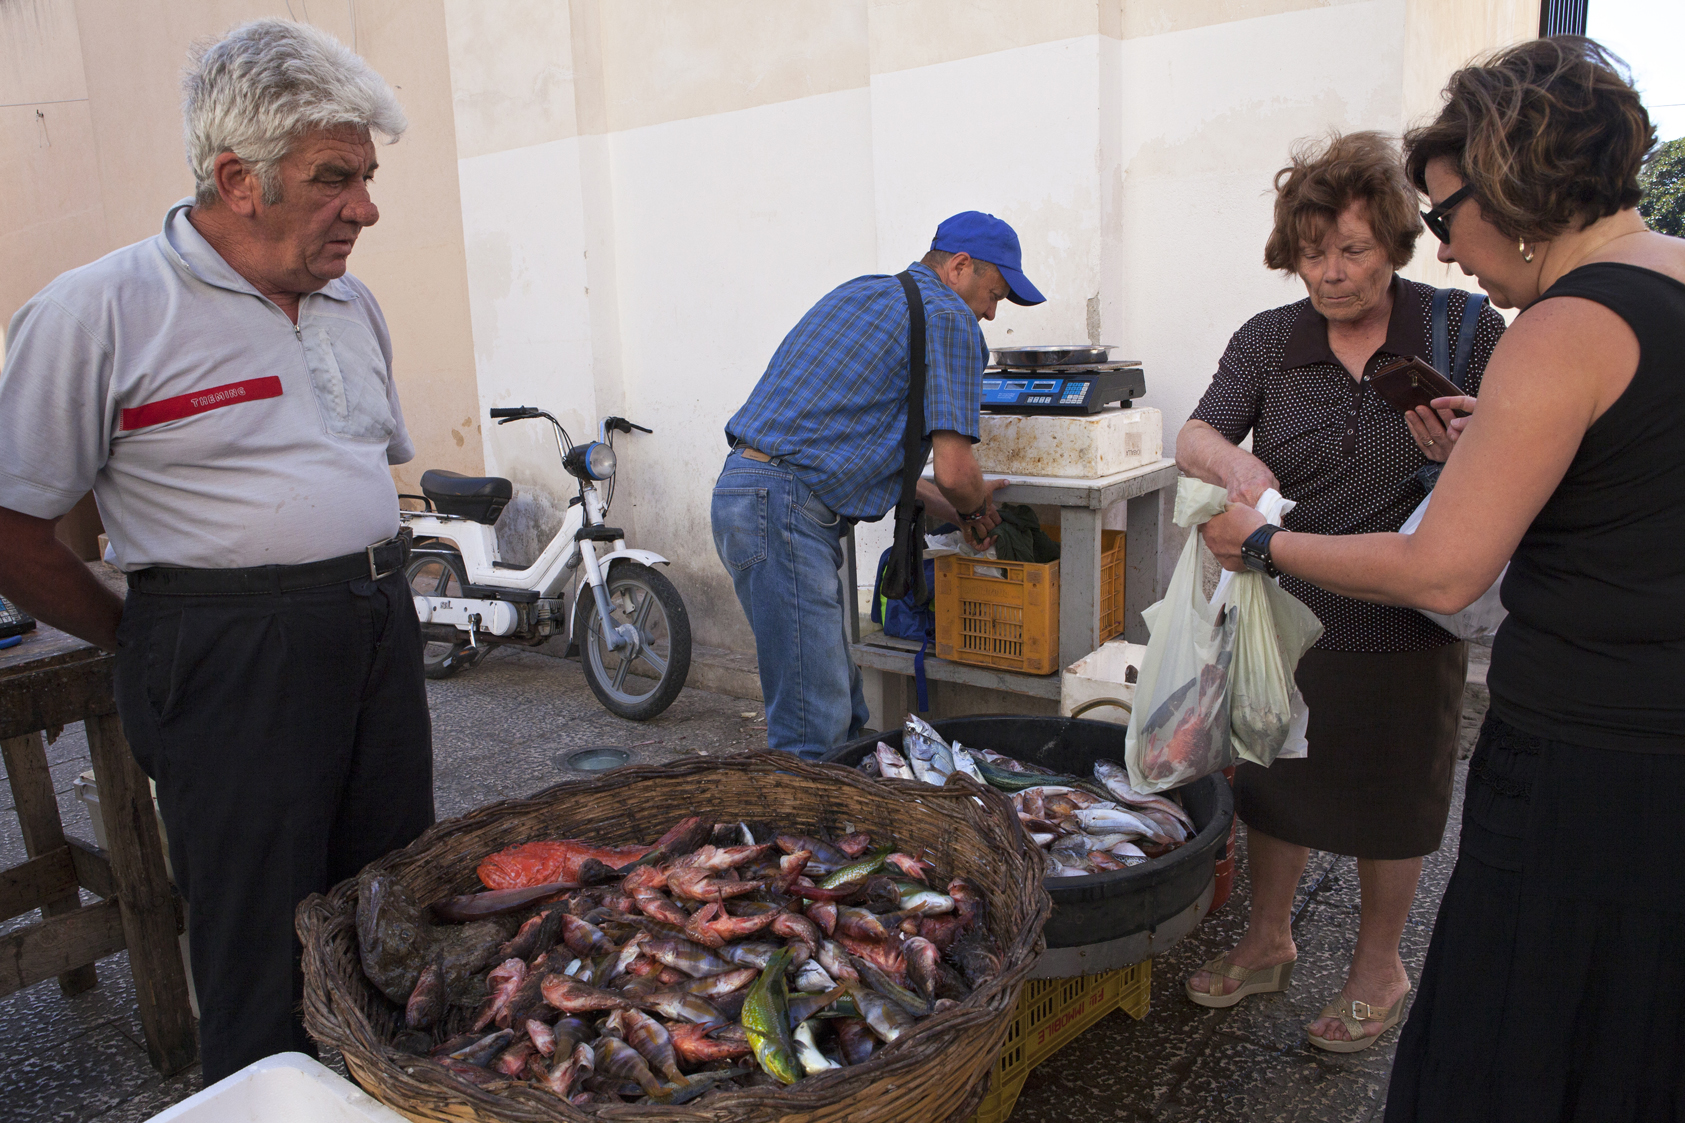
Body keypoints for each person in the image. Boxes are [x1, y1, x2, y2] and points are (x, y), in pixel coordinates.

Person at [1203, 37, 1685, 1120]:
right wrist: (1493, 442)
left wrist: (1263, 546)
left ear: (1507, 186)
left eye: (1437, 217)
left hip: (1589, 742)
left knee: (1518, 1024)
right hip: (1659, 728)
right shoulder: (1670, 273)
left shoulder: (1557, 326)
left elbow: (1441, 567)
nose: (1447, 249)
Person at [0, 20, 433, 1082]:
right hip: (226, 644)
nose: (365, 208)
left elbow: (353, 471)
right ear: (238, 178)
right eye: (336, 178)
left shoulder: (353, 302)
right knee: (257, 936)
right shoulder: (99, 310)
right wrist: (137, 627)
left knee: (392, 905)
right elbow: (13, 523)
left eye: (367, 177)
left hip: (377, 621)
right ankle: (261, 1095)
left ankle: (387, 1091)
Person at [1175, 131, 1505, 1051]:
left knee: (1392, 797)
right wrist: (1230, 456)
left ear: (1393, 241)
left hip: (1405, 612)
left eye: (1351, 250)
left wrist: (1466, 449)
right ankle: (1270, 937)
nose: (1330, 273)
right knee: (1276, 784)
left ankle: (1377, 967)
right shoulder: (1269, 341)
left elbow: (1517, 454)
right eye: (1311, 252)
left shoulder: (1463, 329)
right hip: (1286, 612)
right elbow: (1196, 433)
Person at [713, 212, 1045, 759]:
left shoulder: (863, 295)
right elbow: (958, 472)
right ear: (960, 267)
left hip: (749, 493)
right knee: (813, 730)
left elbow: (845, 443)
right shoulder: (949, 319)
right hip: (786, 512)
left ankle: (842, 834)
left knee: (841, 709)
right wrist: (976, 503)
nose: (989, 312)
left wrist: (946, 502)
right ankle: (800, 839)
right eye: (994, 294)